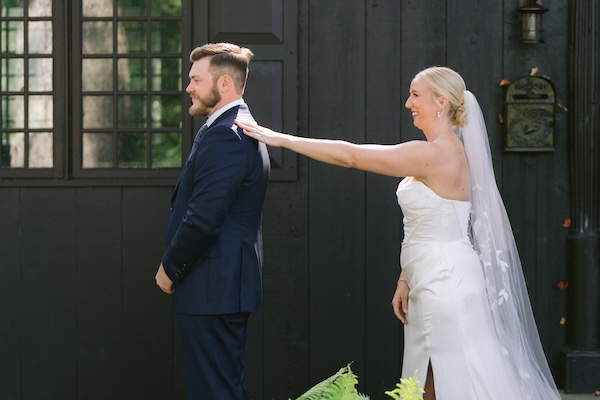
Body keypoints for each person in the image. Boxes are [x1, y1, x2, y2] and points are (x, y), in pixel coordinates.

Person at [235, 67, 561, 399]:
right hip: (435, 276)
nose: (408, 103)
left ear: (441, 102)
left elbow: (350, 156)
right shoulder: (445, 151)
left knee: (438, 383)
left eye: (416, 95)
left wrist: (280, 139)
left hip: (442, 283)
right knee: (434, 379)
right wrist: (405, 278)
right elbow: (436, 223)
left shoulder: (434, 154)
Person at [155, 42, 270, 400]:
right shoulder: (229, 129)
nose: (188, 87)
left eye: (195, 79)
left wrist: (169, 269)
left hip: (212, 288)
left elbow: (203, 217)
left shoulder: (228, 135)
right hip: (217, 288)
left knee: (215, 391)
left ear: (223, 84)